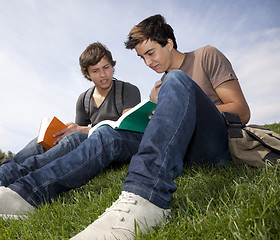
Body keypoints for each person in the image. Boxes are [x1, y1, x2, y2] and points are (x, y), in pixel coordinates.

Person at [70, 14, 250, 239]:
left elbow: (241, 111)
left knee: (175, 79)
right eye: (141, 57)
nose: (147, 62)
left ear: (169, 43)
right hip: (184, 154)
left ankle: (147, 197)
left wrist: (186, 108)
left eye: (150, 53)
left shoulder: (206, 55)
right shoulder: (157, 89)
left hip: (216, 143)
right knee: (111, 131)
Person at [0, 41, 141, 196]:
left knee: (73, 138)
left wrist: (79, 131)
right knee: (47, 138)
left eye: (106, 67)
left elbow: (124, 129)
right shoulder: (84, 99)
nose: (103, 74)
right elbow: (79, 128)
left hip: (111, 151)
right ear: (87, 74)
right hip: (87, 147)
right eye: (95, 70)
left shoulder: (127, 90)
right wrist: (67, 131)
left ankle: (1, 178)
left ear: (113, 66)